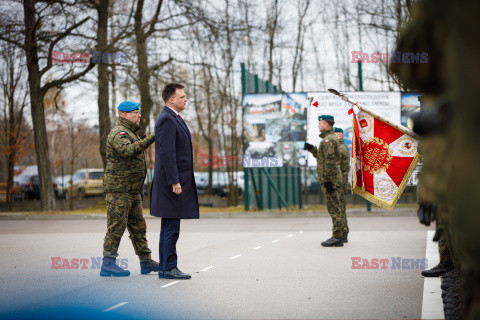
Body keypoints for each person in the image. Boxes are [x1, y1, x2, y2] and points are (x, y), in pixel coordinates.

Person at [100, 101, 159, 277]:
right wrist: (152, 138)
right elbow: (128, 151)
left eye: (138, 112)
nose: (139, 115)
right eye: (135, 112)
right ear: (124, 115)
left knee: (138, 226)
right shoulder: (119, 133)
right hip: (119, 191)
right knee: (116, 226)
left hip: (132, 191)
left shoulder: (131, 133)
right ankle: (108, 263)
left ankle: (145, 261)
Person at [151, 83, 199, 280]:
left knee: (169, 225)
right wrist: (174, 181)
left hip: (174, 180)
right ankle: (169, 267)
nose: (185, 99)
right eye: (182, 97)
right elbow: (167, 153)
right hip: (171, 183)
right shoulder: (167, 120)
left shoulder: (173, 118)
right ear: (172, 99)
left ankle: (165, 266)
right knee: (171, 227)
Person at [304, 115, 344, 247]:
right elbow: (322, 158)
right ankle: (340, 235)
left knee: (334, 208)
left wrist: (328, 181)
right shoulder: (328, 140)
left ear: (326, 125)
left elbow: (330, 162)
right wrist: (311, 149)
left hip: (330, 180)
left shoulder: (328, 141)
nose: (318, 125)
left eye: (320, 123)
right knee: (336, 207)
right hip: (332, 179)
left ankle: (337, 237)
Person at [334, 127, 350, 243]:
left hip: (339, 182)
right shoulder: (343, 147)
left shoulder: (339, 149)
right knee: (341, 208)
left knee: (339, 209)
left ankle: (342, 233)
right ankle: (344, 233)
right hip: (342, 182)